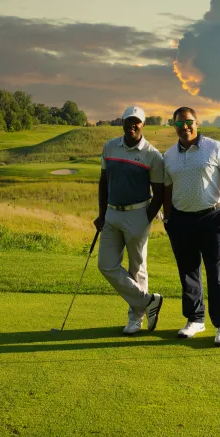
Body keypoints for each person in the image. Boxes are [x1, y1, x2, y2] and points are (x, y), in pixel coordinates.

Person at [162, 106, 220, 347]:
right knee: (187, 273)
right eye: (179, 124)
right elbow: (167, 188)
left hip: (212, 217)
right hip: (181, 219)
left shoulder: (215, 148)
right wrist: (168, 217)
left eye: (189, 122)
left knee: (217, 274)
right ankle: (195, 319)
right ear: (173, 126)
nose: (184, 127)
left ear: (197, 123)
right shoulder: (169, 155)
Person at [95, 105, 165, 334]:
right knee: (105, 264)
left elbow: (159, 192)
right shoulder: (110, 147)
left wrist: (146, 217)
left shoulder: (152, 155)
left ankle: (136, 319)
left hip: (138, 213)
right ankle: (147, 301)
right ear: (122, 122)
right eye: (128, 121)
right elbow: (103, 182)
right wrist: (102, 213)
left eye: (137, 121)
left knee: (137, 267)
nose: (132, 125)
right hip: (112, 213)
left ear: (143, 125)